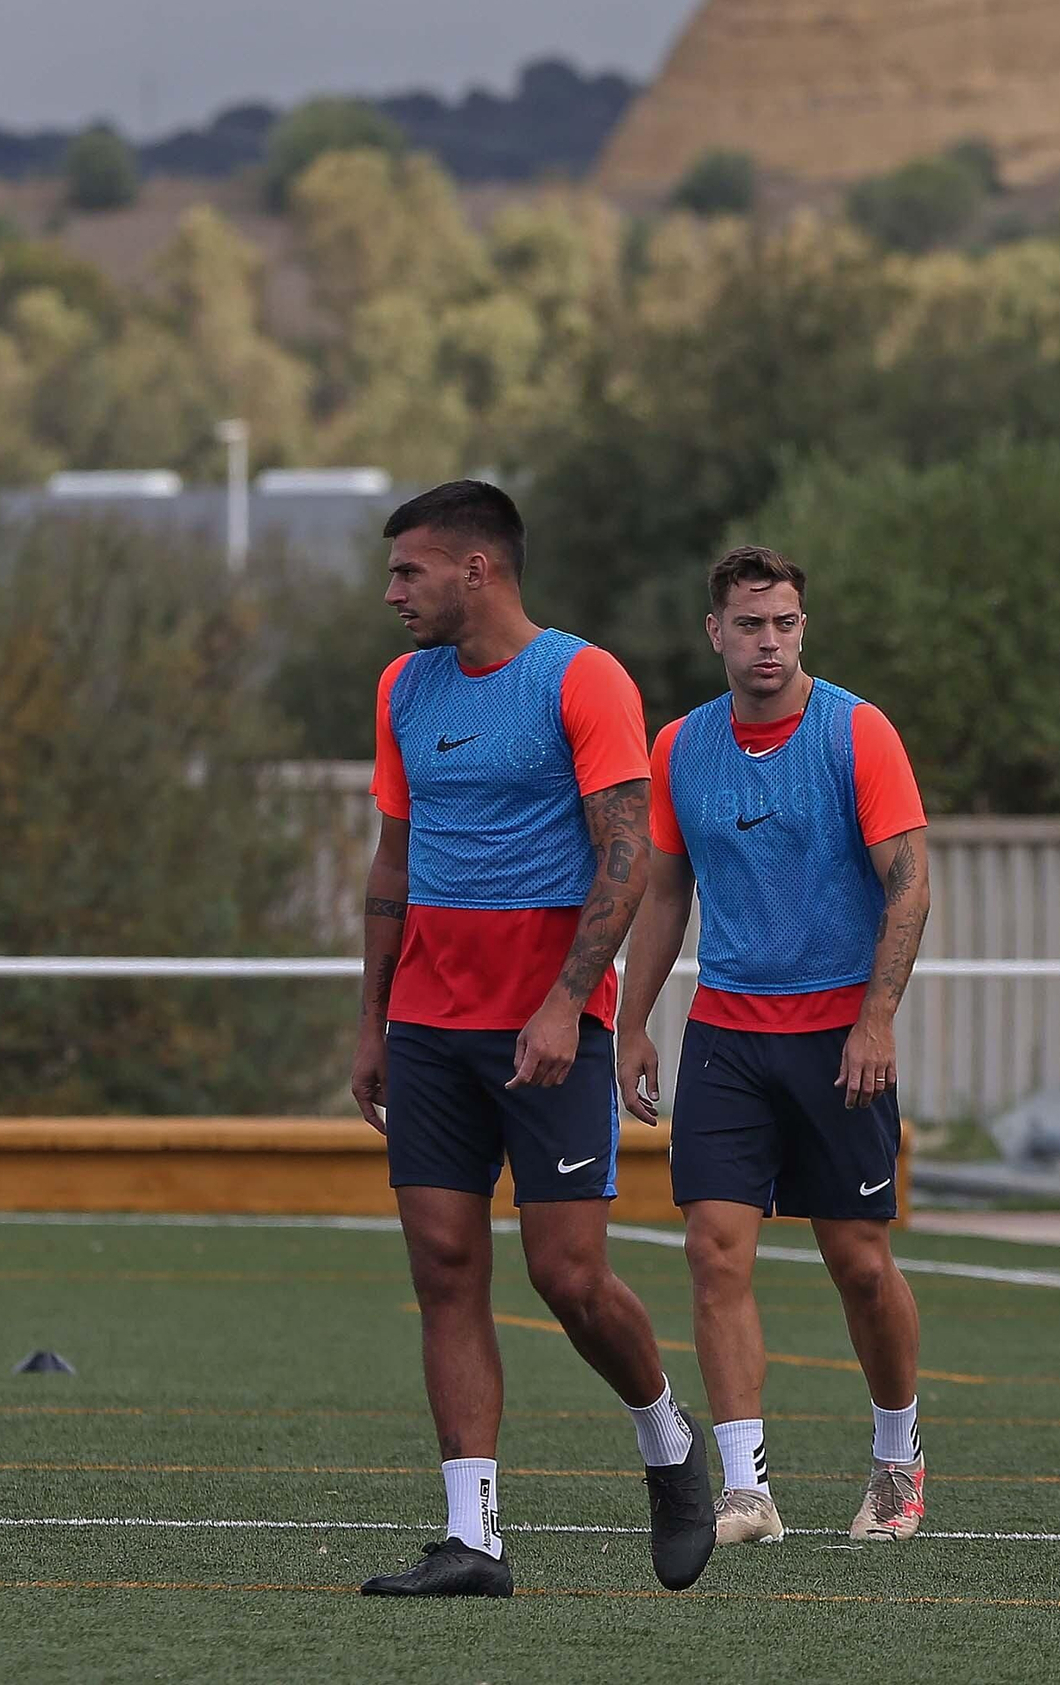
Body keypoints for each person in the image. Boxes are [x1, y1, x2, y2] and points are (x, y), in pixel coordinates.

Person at [348, 480, 714, 1598]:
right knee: (445, 1265)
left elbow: (627, 858)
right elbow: (393, 863)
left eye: (410, 568)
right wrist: (370, 1019)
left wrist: (569, 1001)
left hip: (549, 1026)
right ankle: (474, 1540)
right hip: (426, 1027)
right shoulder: (403, 687)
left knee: (567, 1274)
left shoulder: (581, 677)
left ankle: (668, 1441)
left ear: (477, 569)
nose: (393, 589)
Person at [617, 545, 931, 1548]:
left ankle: (896, 1464)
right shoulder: (680, 747)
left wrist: (874, 1018)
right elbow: (666, 891)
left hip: (838, 1033)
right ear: (715, 631)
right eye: (749, 624)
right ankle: (747, 1489)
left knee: (859, 1263)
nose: (768, 642)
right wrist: (632, 1019)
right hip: (727, 1036)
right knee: (713, 1251)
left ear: (804, 627)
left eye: (784, 623)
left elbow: (909, 883)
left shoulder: (857, 731)